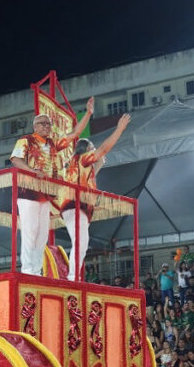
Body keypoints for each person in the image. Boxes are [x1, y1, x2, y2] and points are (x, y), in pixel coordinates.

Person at [10, 102, 92, 276]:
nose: (47, 127)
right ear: (35, 126)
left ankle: (36, 270)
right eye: (43, 124)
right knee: (30, 230)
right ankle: (27, 270)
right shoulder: (25, 140)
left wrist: (88, 113)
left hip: (46, 194)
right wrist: (33, 171)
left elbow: (75, 133)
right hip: (28, 191)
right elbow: (16, 160)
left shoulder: (54, 144)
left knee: (42, 234)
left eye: (48, 124)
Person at [58, 113, 131, 280]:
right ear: (86, 149)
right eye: (92, 148)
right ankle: (72, 277)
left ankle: (73, 275)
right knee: (81, 243)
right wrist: (119, 129)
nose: (94, 150)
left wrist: (98, 163)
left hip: (73, 205)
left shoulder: (77, 164)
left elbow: (89, 176)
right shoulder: (81, 158)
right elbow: (104, 149)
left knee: (81, 243)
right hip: (76, 205)